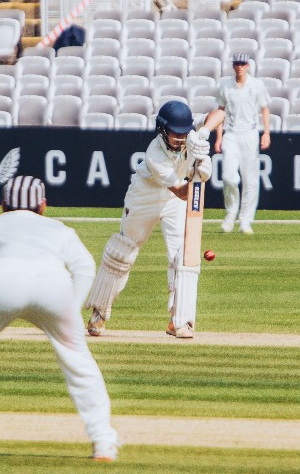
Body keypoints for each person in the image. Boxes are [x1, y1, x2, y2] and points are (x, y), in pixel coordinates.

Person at [0, 175, 119, 463]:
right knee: (80, 364)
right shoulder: (59, 229)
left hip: (1, 285)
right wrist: (72, 306)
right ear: (43, 205)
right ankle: (104, 443)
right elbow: (85, 267)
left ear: (3, 204)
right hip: (53, 286)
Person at [84, 101, 215, 339]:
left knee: (182, 255)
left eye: (184, 132)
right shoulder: (154, 154)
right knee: (121, 253)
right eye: (176, 133)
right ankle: (98, 314)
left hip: (173, 204)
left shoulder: (191, 135)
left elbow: (219, 113)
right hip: (145, 196)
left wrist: (204, 136)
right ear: (163, 130)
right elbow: (182, 191)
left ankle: (180, 320)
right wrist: (199, 175)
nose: (181, 138)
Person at [212, 52, 271, 235]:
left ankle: (246, 220)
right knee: (229, 176)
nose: (239, 66)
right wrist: (219, 137)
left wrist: (266, 133)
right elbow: (220, 112)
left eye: (242, 63)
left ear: (247, 66)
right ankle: (231, 213)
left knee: (250, 178)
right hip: (231, 133)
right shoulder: (225, 86)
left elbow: (264, 109)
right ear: (233, 66)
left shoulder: (257, 85)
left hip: (250, 133)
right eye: (237, 63)